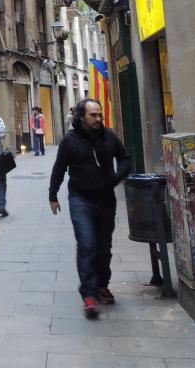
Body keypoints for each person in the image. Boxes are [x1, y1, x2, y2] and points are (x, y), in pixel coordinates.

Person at [49, 98, 131, 319]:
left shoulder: (109, 136)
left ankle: (102, 284)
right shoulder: (70, 141)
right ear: (81, 117)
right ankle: (89, 294)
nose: (98, 119)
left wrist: (116, 178)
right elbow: (59, 168)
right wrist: (52, 195)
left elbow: (125, 158)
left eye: (99, 115)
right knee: (87, 244)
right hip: (80, 199)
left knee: (104, 247)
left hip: (106, 199)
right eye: (93, 115)